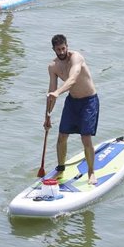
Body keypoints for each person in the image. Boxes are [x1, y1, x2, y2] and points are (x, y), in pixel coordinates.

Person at [44, 34, 100, 185]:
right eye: (58, 49)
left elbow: (72, 79)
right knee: (62, 136)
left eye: (63, 48)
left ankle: (91, 172)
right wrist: (48, 116)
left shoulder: (76, 58)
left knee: (85, 137)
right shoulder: (53, 67)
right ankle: (60, 168)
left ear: (67, 46)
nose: (61, 52)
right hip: (72, 102)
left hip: (89, 101)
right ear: (54, 50)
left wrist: (57, 92)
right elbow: (52, 91)